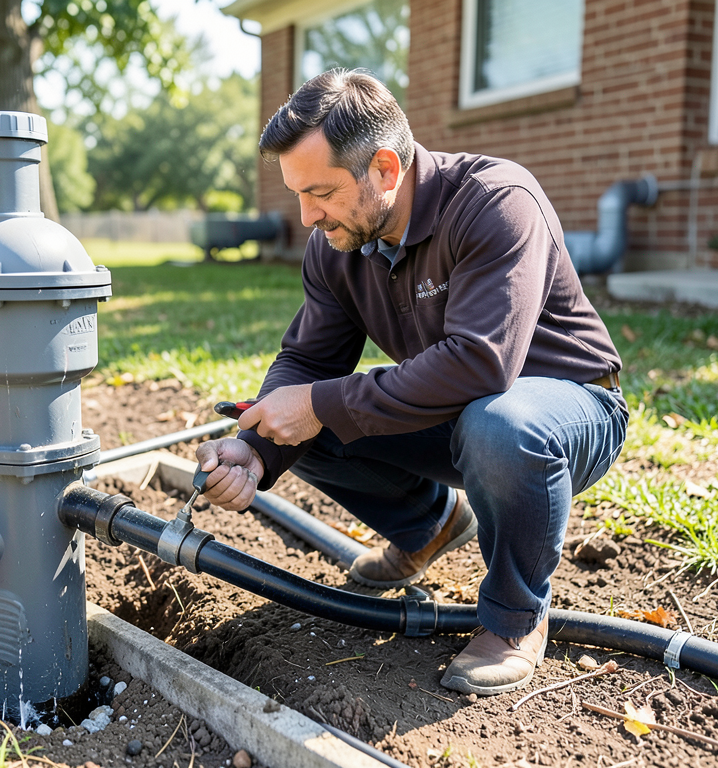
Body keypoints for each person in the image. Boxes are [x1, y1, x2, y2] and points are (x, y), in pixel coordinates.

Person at [194, 69, 629, 696]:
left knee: (493, 425)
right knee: (305, 417)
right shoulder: (336, 243)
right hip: (462, 412)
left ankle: (514, 618)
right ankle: (429, 525)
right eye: (296, 194)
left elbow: (482, 363)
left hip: (568, 407)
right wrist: (257, 445)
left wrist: (318, 404)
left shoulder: (495, 201)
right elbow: (308, 362)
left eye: (320, 192)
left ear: (386, 170)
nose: (306, 216)